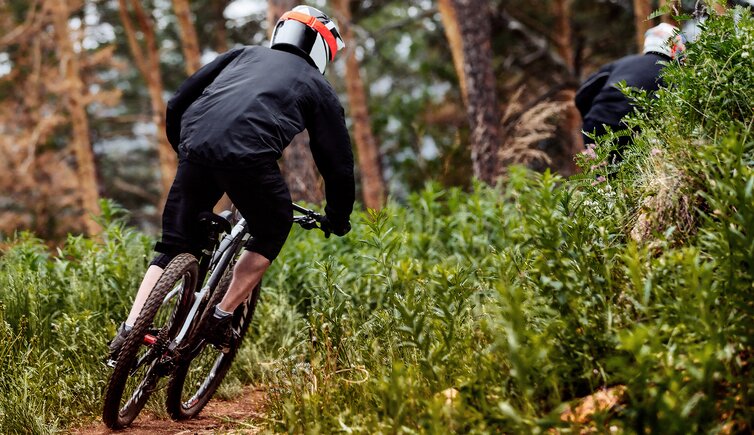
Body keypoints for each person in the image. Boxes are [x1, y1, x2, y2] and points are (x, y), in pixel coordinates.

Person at [108, 5, 355, 358]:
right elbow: (338, 165)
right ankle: (220, 316)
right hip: (249, 160)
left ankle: (130, 329)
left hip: (195, 146)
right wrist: (338, 216)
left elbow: (178, 101)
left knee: (173, 246)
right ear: (322, 49)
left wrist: (186, 149)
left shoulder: (243, 54)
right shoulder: (318, 87)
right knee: (273, 226)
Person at [576, 23, 686, 150]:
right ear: (677, 48)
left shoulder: (622, 63)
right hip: (634, 133)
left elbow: (582, 96)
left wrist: (592, 117)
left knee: (599, 166)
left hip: (597, 123)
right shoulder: (674, 75)